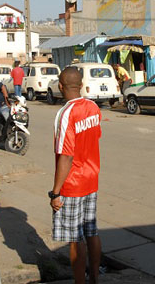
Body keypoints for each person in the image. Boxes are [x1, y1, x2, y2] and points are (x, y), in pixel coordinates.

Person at [50, 67, 102, 284]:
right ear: (81, 85)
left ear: (60, 86)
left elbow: (66, 156)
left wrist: (55, 192)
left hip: (72, 184)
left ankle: (80, 281)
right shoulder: (93, 107)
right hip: (91, 178)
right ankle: (95, 278)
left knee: (74, 238)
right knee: (91, 230)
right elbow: (95, 137)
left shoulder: (65, 113)